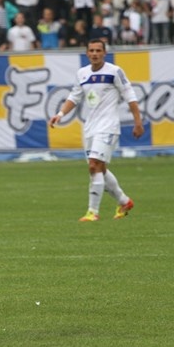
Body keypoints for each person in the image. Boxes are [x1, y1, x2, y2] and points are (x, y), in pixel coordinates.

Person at [49, 39, 144, 222]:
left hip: (108, 126)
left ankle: (93, 212)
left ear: (104, 53)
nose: (94, 53)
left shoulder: (114, 71)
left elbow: (130, 96)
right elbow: (74, 97)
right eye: (91, 50)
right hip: (90, 127)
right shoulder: (82, 74)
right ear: (86, 53)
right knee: (100, 168)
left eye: (98, 50)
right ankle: (124, 201)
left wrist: (137, 122)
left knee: (94, 166)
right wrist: (60, 114)